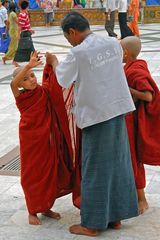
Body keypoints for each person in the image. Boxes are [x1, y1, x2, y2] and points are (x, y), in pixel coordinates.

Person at [52, 12, 138, 237]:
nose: (69, 42)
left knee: (94, 168)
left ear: (72, 32)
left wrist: (53, 62)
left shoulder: (77, 52)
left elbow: (62, 79)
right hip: (117, 110)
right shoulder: (112, 43)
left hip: (96, 115)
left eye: (67, 37)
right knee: (118, 164)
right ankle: (116, 217)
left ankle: (92, 224)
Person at [10, 51, 74, 225]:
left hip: (48, 140)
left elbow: (54, 84)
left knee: (49, 172)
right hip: (31, 140)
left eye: (32, 76)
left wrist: (53, 64)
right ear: (21, 85)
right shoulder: (21, 96)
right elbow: (13, 84)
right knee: (33, 173)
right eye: (26, 78)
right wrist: (28, 65)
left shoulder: (43, 91)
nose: (31, 79)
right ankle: (32, 210)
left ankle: (45, 206)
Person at [121, 36, 160, 214]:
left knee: (134, 159)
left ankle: (142, 199)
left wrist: (126, 89)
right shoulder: (132, 66)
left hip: (135, 122)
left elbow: (148, 96)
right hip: (128, 119)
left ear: (126, 53)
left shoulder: (136, 71)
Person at [13, 0, 35, 67]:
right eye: (28, 7)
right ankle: (14, 61)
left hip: (27, 32)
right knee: (24, 48)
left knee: (29, 48)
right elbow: (20, 26)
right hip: (24, 33)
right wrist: (19, 34)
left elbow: (25, 25)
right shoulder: (22, 14)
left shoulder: (24, 14)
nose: (28, 8)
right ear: (26, 7)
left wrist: (30, 30)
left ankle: (34, 59)